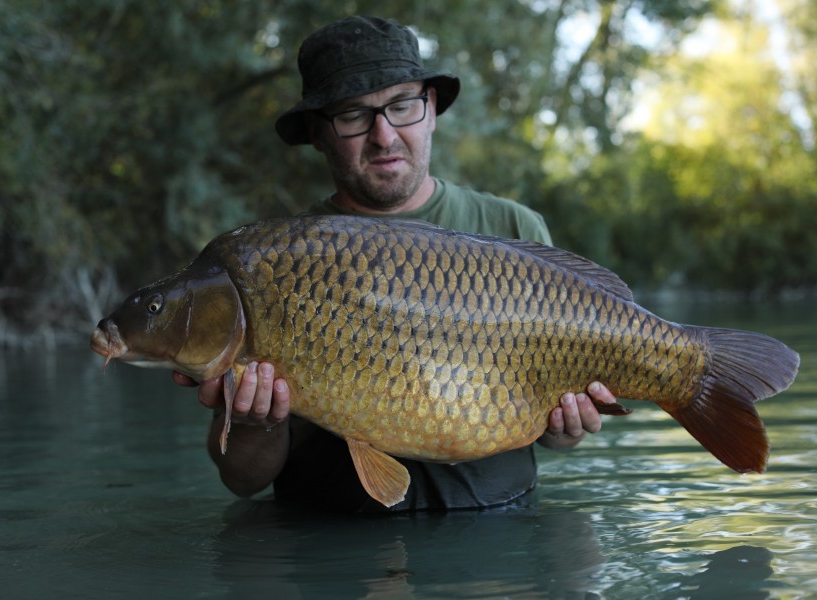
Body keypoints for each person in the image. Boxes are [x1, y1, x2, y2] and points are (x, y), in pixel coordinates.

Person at [173, 16, 618, 512]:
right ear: (318, 134)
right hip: (330, 550)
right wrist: (259, 422)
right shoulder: (276, 262)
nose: (383, 135)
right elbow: (242, 482)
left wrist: (568, 428)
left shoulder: (513, 229)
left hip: (499, 542)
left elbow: (557, 442)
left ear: (431, 110)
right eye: (353, 115)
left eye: (402, 106)